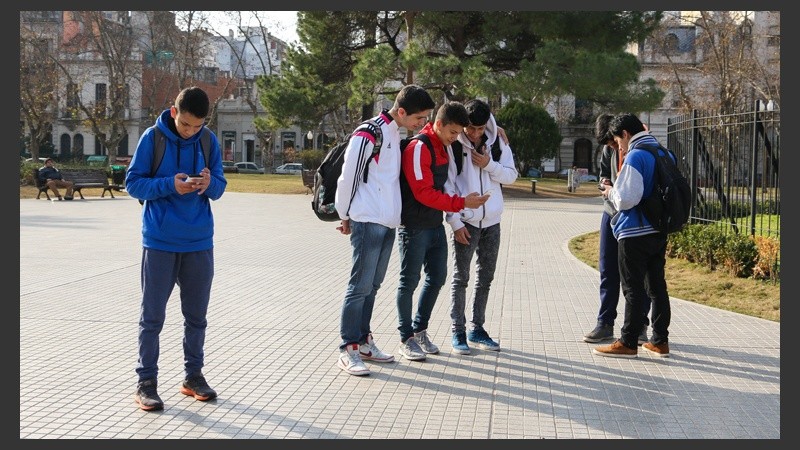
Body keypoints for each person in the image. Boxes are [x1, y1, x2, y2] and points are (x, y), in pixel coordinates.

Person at [125, 86, 228, 410]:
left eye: (197, 127)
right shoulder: (152, 139)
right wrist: (170, 184)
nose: (190, 132)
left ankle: (193, 376)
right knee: (152, 317)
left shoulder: (208, 141)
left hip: (199, 241)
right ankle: (146, 382)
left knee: (196, 318)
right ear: (174, 113)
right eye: (186, 125)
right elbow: (133, 183)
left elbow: (221, 187)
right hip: (159, 242)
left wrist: (209, 183)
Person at [334, 84, 436, 376]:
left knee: (372, 286)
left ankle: (364, 342)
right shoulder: (370, 132)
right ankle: (348, 347)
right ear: (402, 111)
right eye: (419, 118)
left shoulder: (394, 133)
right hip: (367, 220)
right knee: (359, 287)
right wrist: (344, 214)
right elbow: (349, 175)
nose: (422, 124)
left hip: (387, 221)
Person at [395, 101, 490, 362]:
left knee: (437, 278)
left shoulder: (444, 145)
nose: (455, 138)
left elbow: (483, 123)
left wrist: (498, 129)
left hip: (435, 225)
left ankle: (419, 330)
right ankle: (406, 338)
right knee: (408, 282)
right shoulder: (418, 147)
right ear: (438, 124)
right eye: (452, 132)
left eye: (459, 133)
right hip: (414, 227)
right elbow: (423, 193)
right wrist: (462, 204)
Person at [593, 112, 672, 359]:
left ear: (625, 134)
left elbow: (627, 198)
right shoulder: (663, 152)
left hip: (635, 230)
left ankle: (628, 341)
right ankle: (659, 340)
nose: (619, 147)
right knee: (657, 287)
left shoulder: (636, 155)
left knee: (633, 288)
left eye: (618, 141)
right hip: (658, 230)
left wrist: (609, 192)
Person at [444, 99, 518, 355]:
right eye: (471, 128)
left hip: (493, 222)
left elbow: (511, 175)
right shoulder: (453, 145)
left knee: (485, 278)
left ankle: (478, 328)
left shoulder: (497, 141)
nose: (475, 134)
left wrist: (488, 164)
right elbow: (448, 186)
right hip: (465, 221)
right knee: (460, 278)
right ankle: (458, 330)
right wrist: (454, 222)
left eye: (480, 128)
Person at [583, 114, 651, 345]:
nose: (613, 148)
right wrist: (605, 184)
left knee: (636, 275)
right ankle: (605, 323)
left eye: (613, 143)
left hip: (634, 217)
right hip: (611, 211)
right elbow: (603, 174)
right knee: (607, 269)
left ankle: (640, 324)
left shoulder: (638, 149)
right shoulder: (609, 149)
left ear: (621, 135)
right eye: (608, 145)